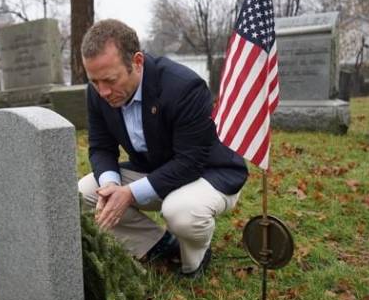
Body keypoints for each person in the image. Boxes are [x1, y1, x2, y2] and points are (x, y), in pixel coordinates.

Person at [77, 19, 248, 278]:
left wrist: (130, 194)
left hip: (209, 172)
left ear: (137, 61)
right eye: (94, 81)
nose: (102, 92)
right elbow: (101, 147)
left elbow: (190, 161)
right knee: (86, 192)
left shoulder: (183, 87)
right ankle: (161, 246)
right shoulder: (98, 92)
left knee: (180, 210)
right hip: (156, 170)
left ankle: (196, 261)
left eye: (110, 80)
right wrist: (112, 185)